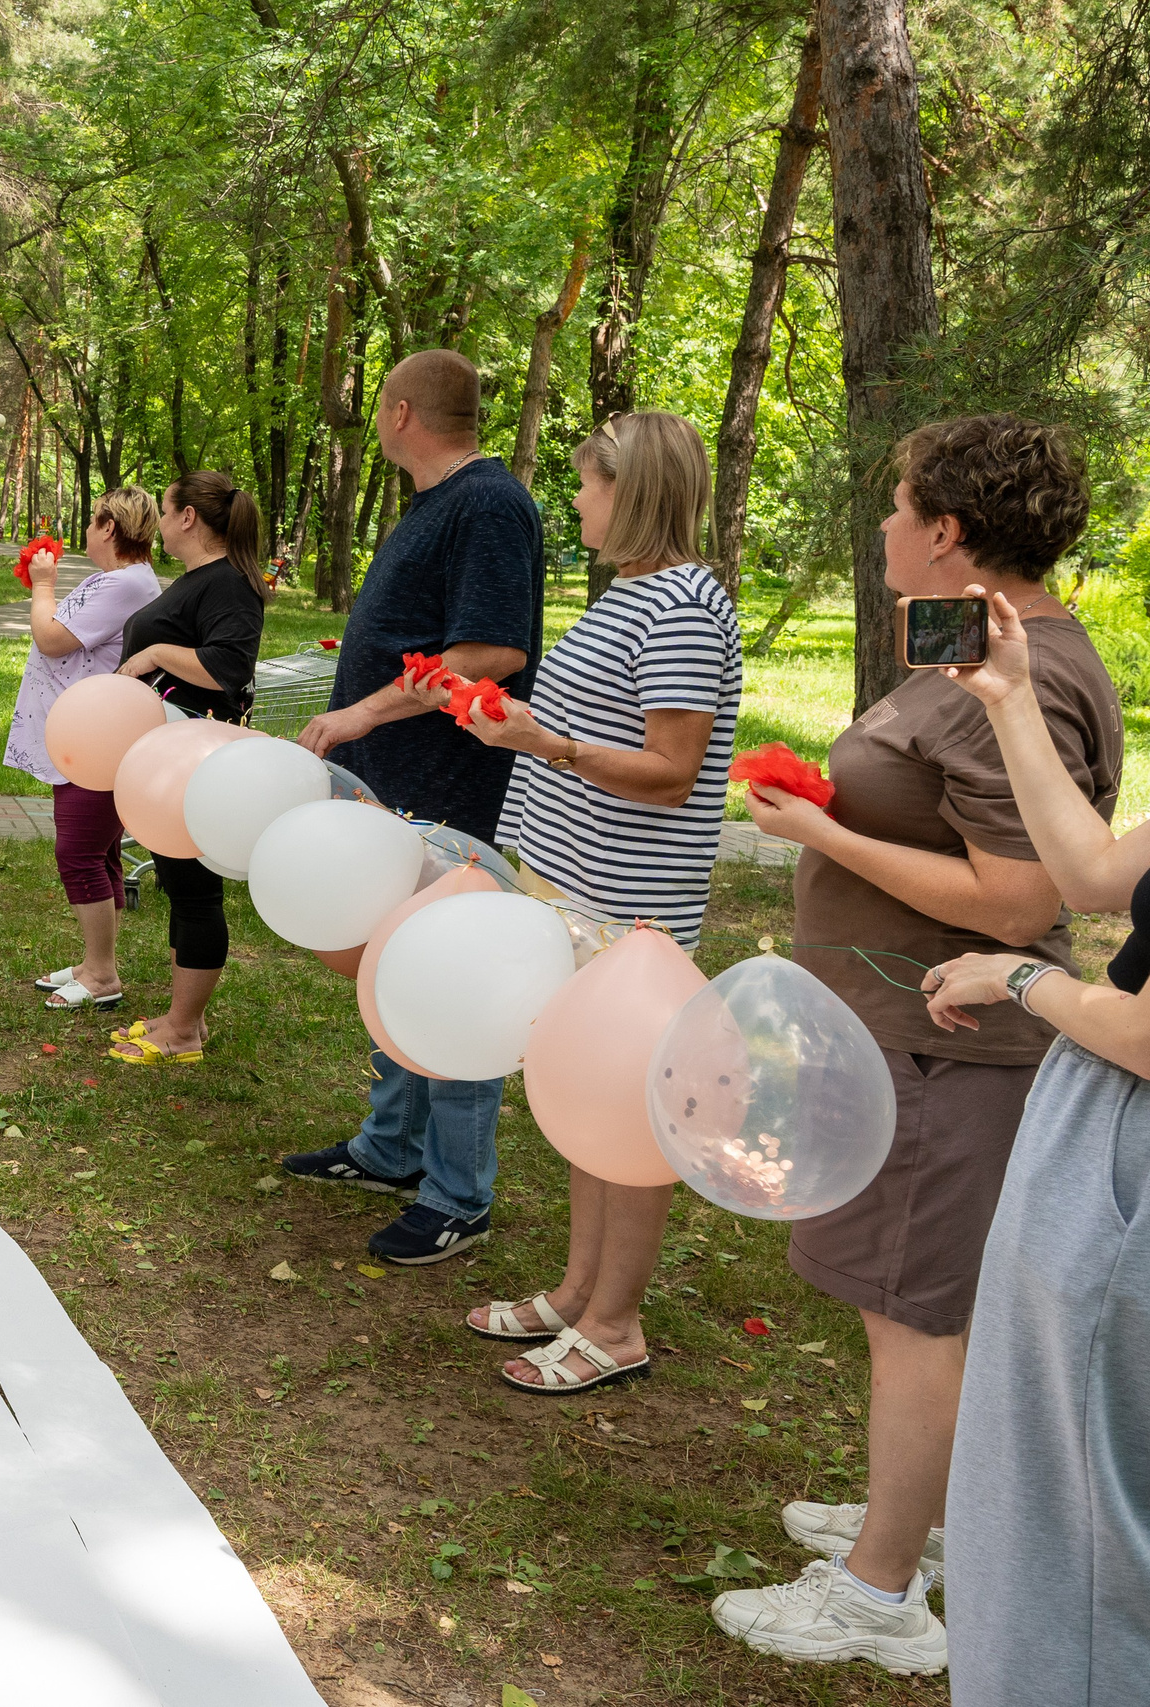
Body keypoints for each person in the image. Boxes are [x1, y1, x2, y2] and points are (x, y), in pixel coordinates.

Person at [709, 416, 1119, 1674]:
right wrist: (838, 804)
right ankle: (917, 1510)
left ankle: (880, 1594)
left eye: (897, 508)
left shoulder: (1029, 671)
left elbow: (1017, 900)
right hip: (902, 1031)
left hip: (951, 1045)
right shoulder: (981, 650)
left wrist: (819, 835)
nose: (883, 527)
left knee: (915, 1315)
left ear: (947, 534)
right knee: (908, 1304)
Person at [400, 412, 741, 1391]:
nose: (575, 501)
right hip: (568, 883)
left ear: (633, 493)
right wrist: (504, 722)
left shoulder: (677, 603)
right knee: (587, 1098)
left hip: (623, 905)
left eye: (588, 485)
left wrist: (542, 745)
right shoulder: (631, 592)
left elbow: (674, 771)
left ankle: (618, 1324)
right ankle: (579, 1291)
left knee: (627, 1114)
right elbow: (583, 726)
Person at [914, 547, 1150, 1705]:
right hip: (1106, 1119)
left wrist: (1018, 983)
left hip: (1130, 1142)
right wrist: (1007, 701)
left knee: (1075, 1520)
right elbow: (1099, 872)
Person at [283, 348, 544, 1266]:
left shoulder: (489, 505)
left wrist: (359, 710)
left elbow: (489, 655)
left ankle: (458, 1193)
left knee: (447, 974)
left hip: (449, 786)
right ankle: (390, 1147)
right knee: (393, 965)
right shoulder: (441, 502)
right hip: (395, 779)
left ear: (400, 414)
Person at [103, 474, 267, 1060]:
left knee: (195, 892)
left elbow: (228, 667)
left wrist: (152, 654)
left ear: (189, 517)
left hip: (194, 760)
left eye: (167, 509)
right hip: (168, 759)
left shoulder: (229, 583)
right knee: (178, 884)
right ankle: (184, 1021)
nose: (160, 519)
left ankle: (182, 1032)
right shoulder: (202, 579)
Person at [7, 487, 164, 1011]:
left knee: (77, 853)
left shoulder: (123, 585)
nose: (89, 532)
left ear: (111, 529)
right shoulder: (124, 582)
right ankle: (98, 963)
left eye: (95, 522)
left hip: (94, 742)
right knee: (100, 853)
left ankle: (101, 975)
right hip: (85, 735)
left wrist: (43, 585)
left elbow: (53, 638)